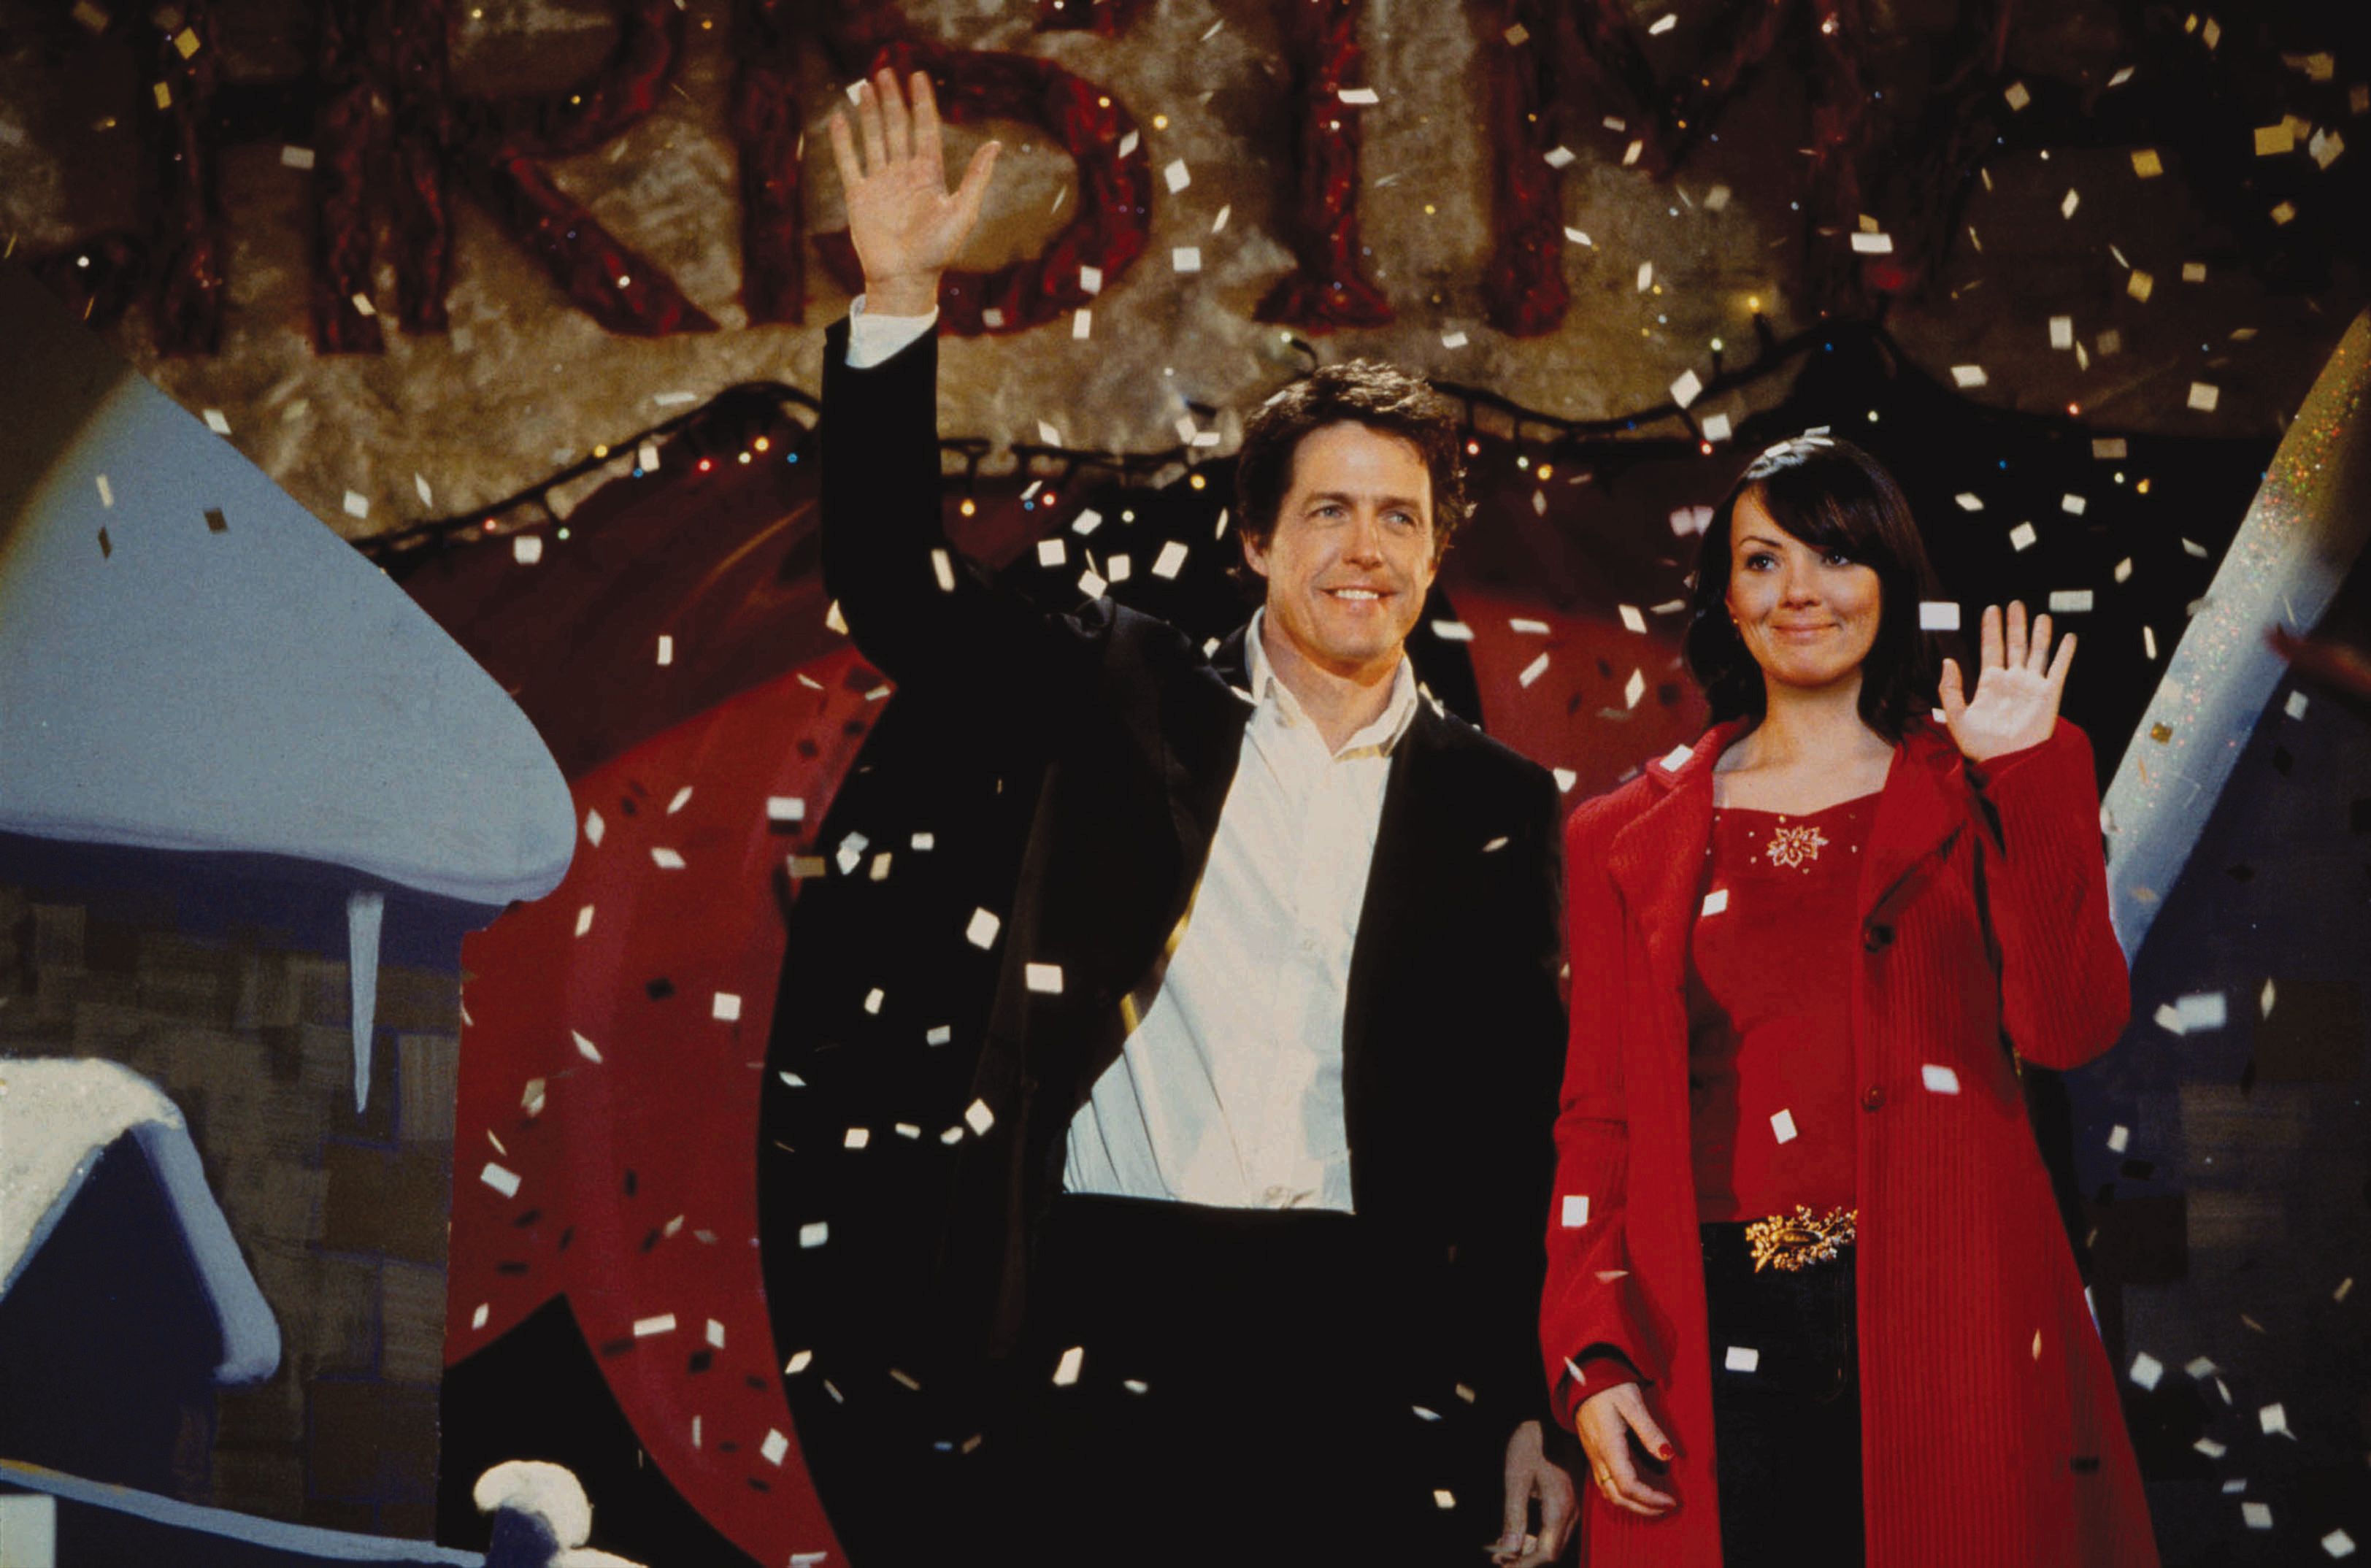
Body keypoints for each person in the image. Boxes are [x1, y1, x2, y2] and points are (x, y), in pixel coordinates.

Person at [810, 69, 1577, 1566]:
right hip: (1109, 1301)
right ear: (1255, 541)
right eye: (1328, 511)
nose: (1364, 549)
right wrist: (898, 296)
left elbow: (1507, 1137)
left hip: (1361, 1337)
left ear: (1436, 556)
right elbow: (899, 591)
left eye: (1400, 517)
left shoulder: (1496, 805)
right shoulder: (1127, 693)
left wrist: (1517, 1405)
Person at [1541, 435, 2160, 1567]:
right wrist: (1593, 1351)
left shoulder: (1983, 776)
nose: (1802, 592)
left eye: (1836, 555)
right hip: (1709, 1328)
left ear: (1891, 578)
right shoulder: (1622, 835)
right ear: (1725, 597)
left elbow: (2070, 1029)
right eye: (1763, 561)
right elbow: (1599, 1121)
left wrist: (2022, 774)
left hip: (1952, 1306)